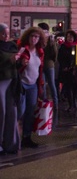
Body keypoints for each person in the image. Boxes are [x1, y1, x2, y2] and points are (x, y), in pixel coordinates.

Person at [0, 23, 20, 155]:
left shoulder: (12, 46)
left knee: (12, 113)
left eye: (7, 33)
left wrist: (19, 62)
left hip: (12, 81)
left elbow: (15, 65)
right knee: (1, 113)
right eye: (3, 34)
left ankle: (11, 143)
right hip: (1, 80)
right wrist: (10, 60)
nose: (6, 36)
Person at [37, 23, 59, 113]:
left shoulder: (44, 39)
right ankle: (54, 104)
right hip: (48, 64)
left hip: (44, 64)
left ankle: (47, 104)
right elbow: (55, 53)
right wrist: (53, 61)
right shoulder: (48, 39)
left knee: (46, 84)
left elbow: (54, 52)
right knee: (50, 84)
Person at [57, 30, 77, 112]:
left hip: (75, 70)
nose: (70, 38)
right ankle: (71, 104)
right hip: (66, 71)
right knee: (68, 87)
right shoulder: (63, 47)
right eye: (68, 37)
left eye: (71, 37)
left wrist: (75, 66)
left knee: (75, 87)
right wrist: (64, 66)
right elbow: (60, 58)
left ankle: (74, 102)